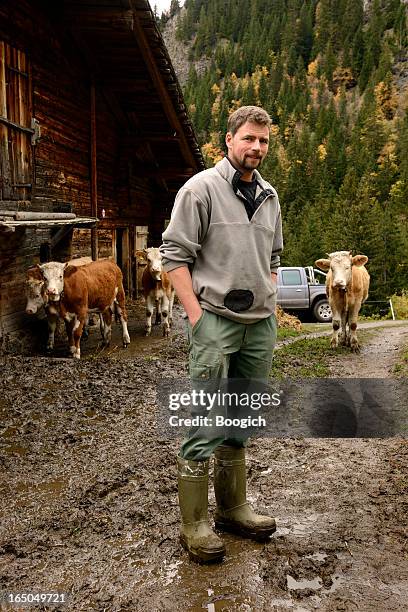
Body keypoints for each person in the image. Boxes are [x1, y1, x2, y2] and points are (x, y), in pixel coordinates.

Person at [160, 105, 283, 563]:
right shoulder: (200, 190)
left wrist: (268, 298)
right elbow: (173, 256)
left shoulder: (269, 195)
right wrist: (197, 318)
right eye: (249, 138)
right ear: (228, 140)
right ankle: (195, 523)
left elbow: (273, 257)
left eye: (264, 140)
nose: (256, 147)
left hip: (259, 327)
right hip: (214, 321)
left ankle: (234, 508)